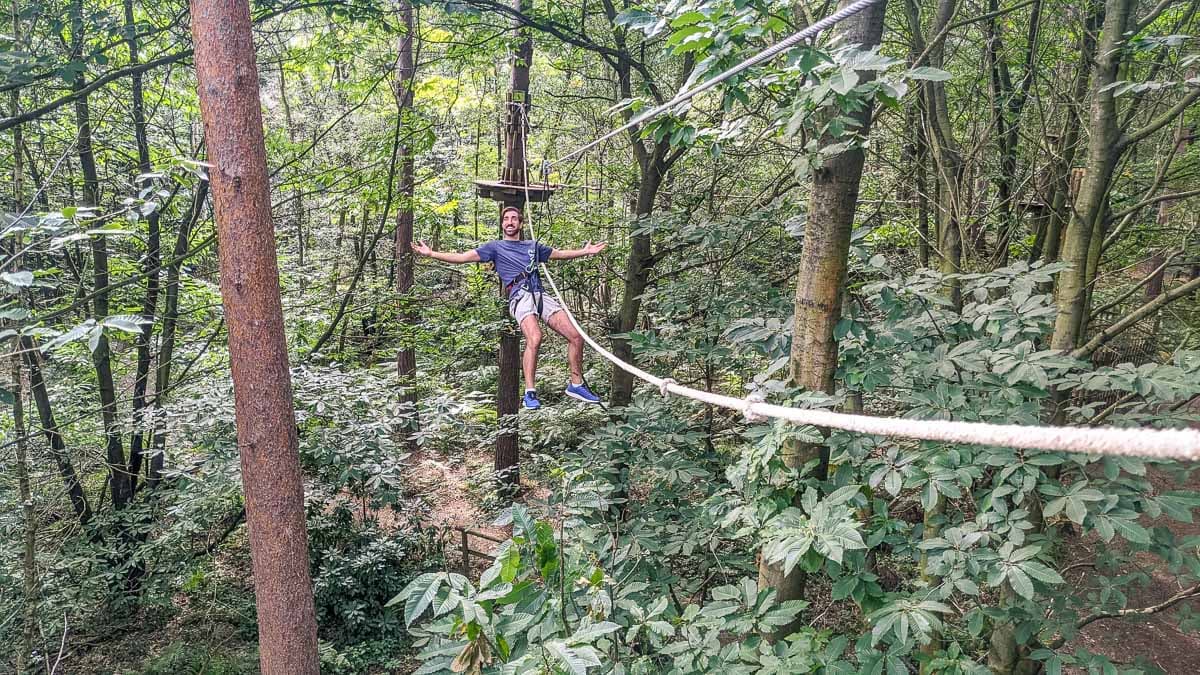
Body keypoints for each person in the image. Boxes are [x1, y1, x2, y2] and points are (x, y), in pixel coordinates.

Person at [411, 205, 606, 409]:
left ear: (520, 224)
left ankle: (576, 384)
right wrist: (431, 253)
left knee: (576, 336)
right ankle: (530, 392)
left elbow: (559, 254)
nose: (510, 222)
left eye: (514, 218)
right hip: (520, 296)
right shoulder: (495, 248)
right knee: (535, 337)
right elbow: (462, 258)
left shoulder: (532, 246)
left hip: (539, 294)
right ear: (502, 224)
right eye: (506, 219)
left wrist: (585, 251)